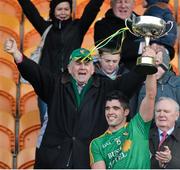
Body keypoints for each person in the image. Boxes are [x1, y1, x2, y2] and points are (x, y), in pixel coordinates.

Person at [4, 37, 153, 168]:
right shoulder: (55, 85)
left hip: (87, 159)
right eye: (78, 63)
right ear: (69, 68)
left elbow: (129, 82)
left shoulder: (106, 87)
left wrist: (146, 62)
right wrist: (16, 53)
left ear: (93, 69)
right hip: (55, 158)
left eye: (87, 64)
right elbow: (35, 72)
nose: (83, 67)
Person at [17, 0, 105, 124]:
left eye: (66, 9)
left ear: (70, 11)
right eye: (59, 9)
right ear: (53, 11)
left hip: (72, 85)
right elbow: (30, 11)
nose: (63, 13)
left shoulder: (78, 27)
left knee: (71, 126)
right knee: (47, 125)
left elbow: (91, 9)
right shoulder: (46, 28)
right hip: (48, 85)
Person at [89, 73, 157, 169]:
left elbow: (150, 95)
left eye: (115, 108)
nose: (110, 112)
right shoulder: (97, 143)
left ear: (126, 112)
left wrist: (151, 67)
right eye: (107, 108)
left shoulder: (138, 126)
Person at [137, 43, 180, 125]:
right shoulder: (143, 86)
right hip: (152, 133)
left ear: (165, 67)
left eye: (158, 65)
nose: (155, 69)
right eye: (152, 65)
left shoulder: (177, 83)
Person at [94, 0, 142, 70]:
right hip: (116, 75)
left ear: (133, 4)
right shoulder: (101, 25)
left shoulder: (143, 23)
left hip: (143, 73)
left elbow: (156, 43)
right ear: (111, 4)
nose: (123, 6)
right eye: (119, 2)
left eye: (126, 2)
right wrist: (142, 47)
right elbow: (110, 50)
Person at [149, 97, 180, 169]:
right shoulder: (144, 136)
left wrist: (170, 160)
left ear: (177, 115)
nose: (161, 115)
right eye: (158, 111)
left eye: (166, 111)